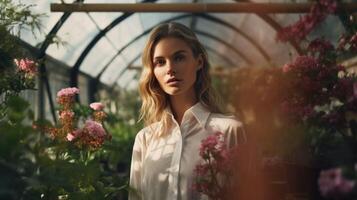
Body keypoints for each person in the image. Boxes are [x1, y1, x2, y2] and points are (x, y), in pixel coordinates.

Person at [129, 22, 246, 200]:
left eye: (179, 58)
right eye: (160, 62)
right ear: (153, 71)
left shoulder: (229, 131)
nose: (170, 69)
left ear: (198, 62)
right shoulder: (145, 139)